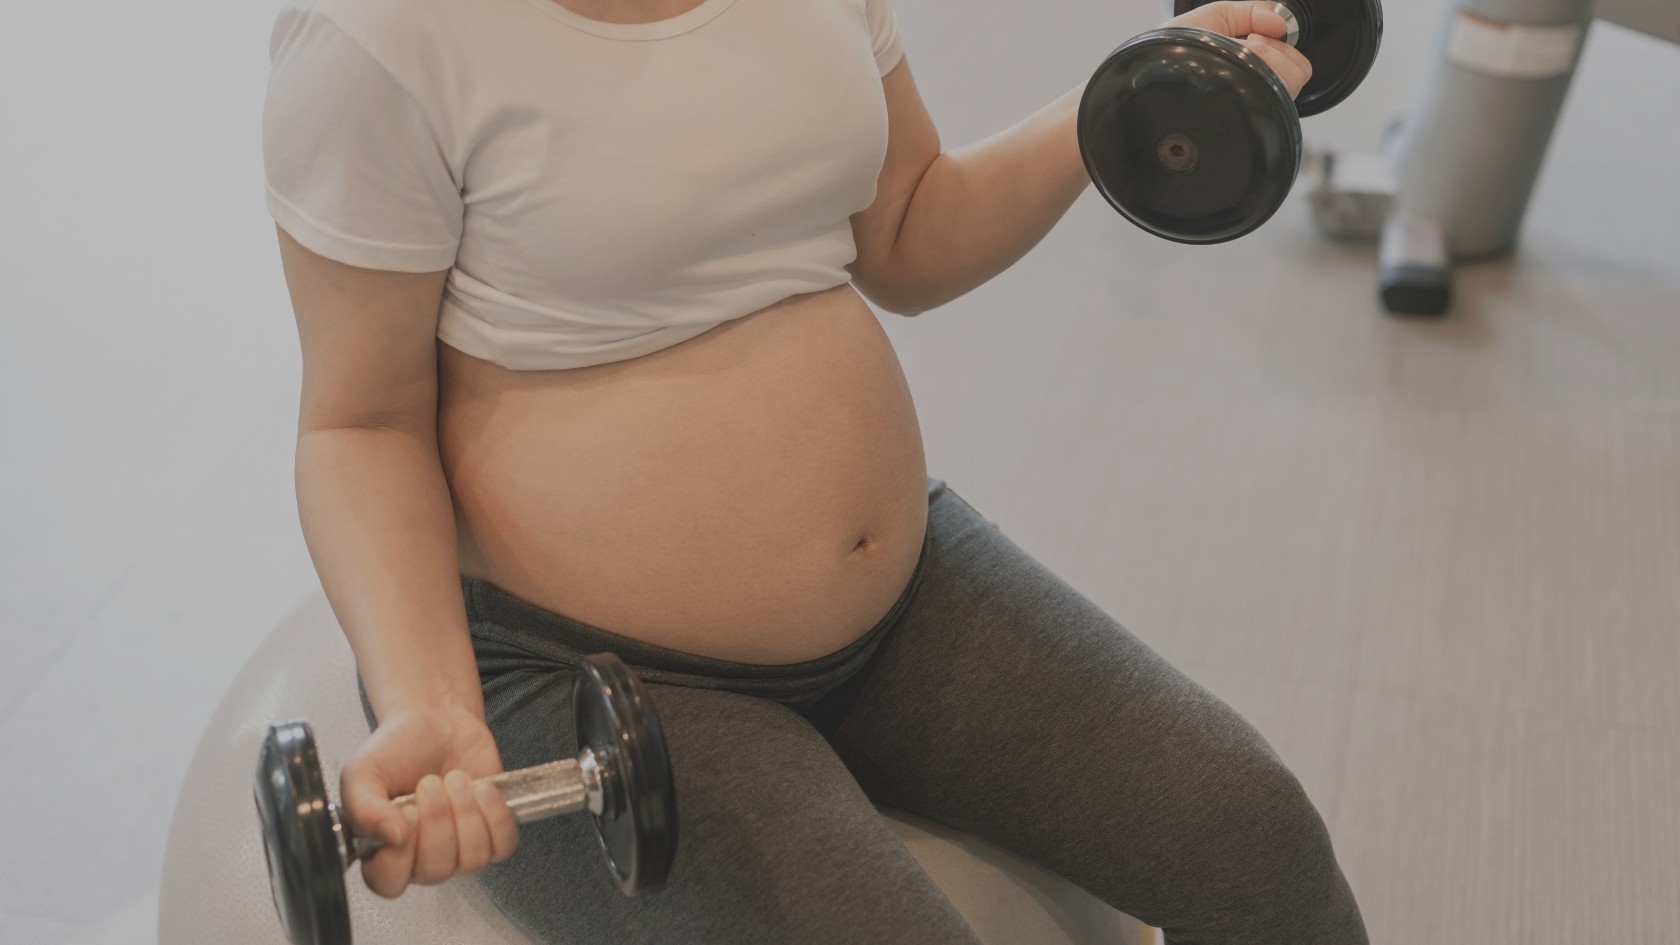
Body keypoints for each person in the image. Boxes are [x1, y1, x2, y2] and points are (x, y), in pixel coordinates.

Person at [263, 0, 1363, 942]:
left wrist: (1113, 103)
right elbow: (363, 427)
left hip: (902, 607)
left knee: (1252, 837)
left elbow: (908, 226)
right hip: (584, 682)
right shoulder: (383, 40)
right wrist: (431, 701)